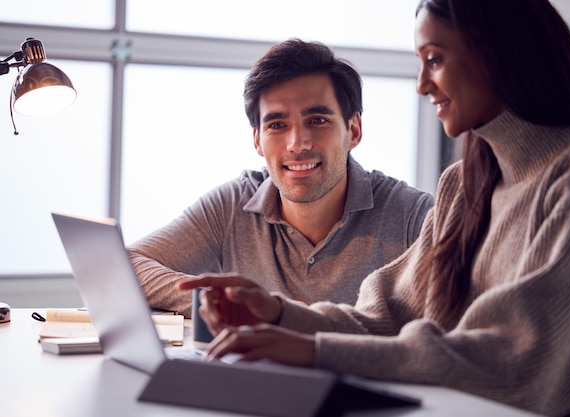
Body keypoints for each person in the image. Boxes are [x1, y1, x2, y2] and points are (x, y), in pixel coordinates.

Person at [178, 1, 570, 416]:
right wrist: (275, 314)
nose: (421, 84)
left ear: (499, 53)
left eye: (434, 59)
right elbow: (389, 314)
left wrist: (314, 350)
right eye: (420, 63)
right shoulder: (465, 183)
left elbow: (516, 359)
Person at [128, 38, 434, 318]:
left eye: (317, 121)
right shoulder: (233, 205)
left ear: (353, 130)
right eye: (277, 125)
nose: (297, 144)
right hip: (259, 379)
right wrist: (223, 302)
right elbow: (127, 263)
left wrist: (283, 316)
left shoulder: (413, 216)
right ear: (258, 140)